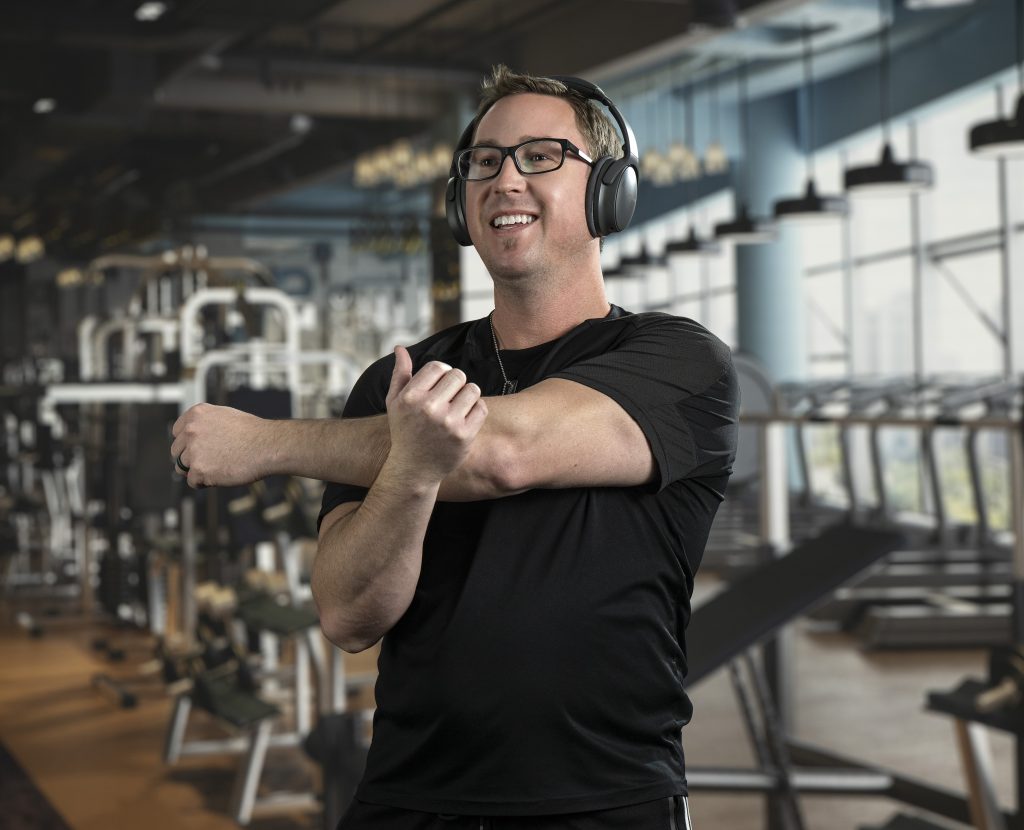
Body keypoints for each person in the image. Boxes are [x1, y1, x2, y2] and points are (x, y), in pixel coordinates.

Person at [171, 65, 738, 829]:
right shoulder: (396, 380)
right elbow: (346, 614)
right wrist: (408, 469)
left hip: (606, 799)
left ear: (610, 191)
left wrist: (266, 444)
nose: (506, 178)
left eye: (541, 156)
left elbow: (506, 452)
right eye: (484, 161)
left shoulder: (677, 362)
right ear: (459, 203)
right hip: (410, 793)